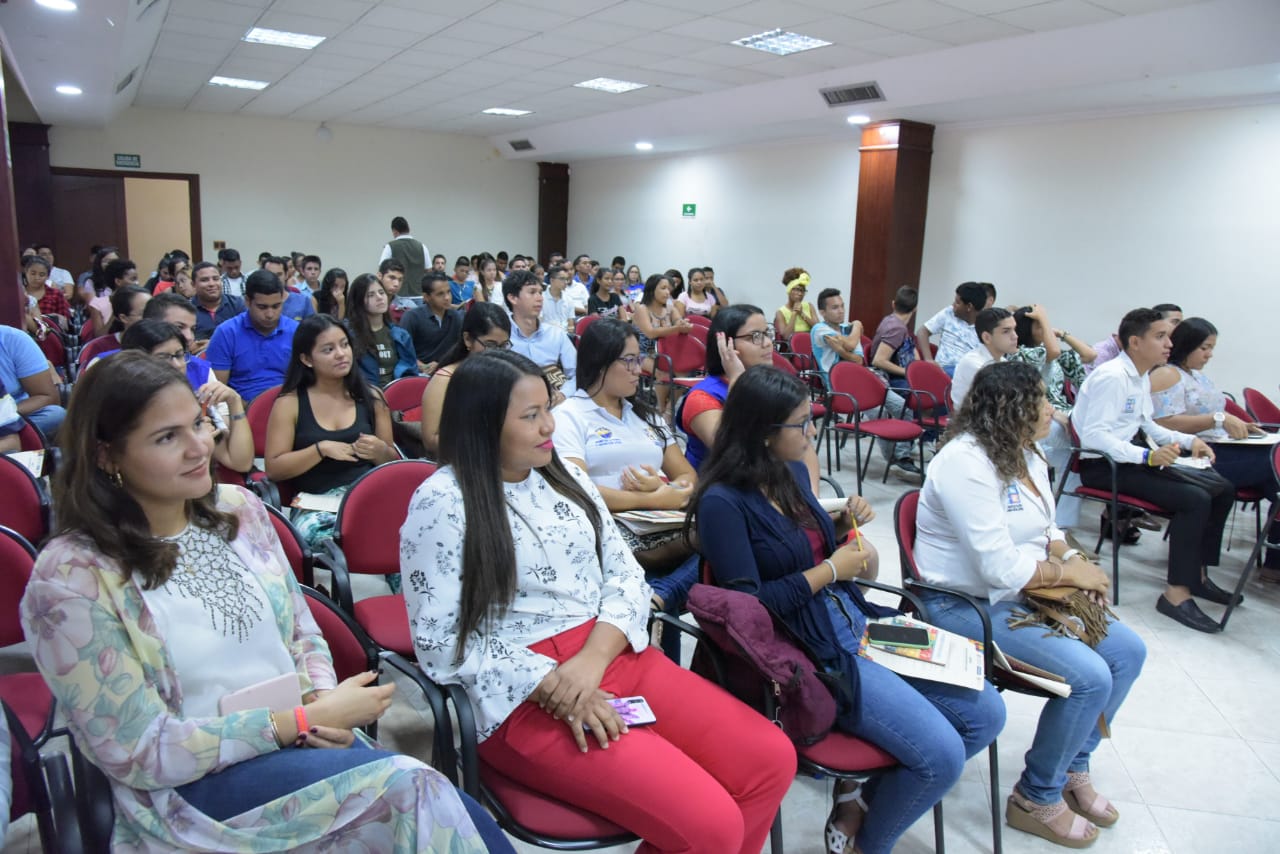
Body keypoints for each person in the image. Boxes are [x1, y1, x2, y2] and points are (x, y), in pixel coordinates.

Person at [20, 352, 501, 854]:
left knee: (440, 802)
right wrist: (298, 721)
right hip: (190, 791)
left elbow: (301, 631)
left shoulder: (240, 510)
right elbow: (140, 750)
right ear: (106, 456)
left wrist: (317, 702)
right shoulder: (72, 578)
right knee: (413, 791)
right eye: (167, 438)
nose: (199, 448)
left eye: (200, 424)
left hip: (297, 738)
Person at [402, 349, 795, 853]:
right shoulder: (442, 501)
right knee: (712, 823)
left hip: (608, 651)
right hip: (521, 689)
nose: (550, 425)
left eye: (549, 407)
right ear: (482, 423)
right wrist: (555, 682)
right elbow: (440, 641)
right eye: (531, 416)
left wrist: (593, 658)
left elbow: (626, 574)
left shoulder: (565, 475)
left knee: (771, 759)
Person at [690, 365, 1004, 854]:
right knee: (941, 756)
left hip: (856, 619)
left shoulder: (790, 472)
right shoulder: (722, 504)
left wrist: (844, 535)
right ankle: (868, 844)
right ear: (765, 432)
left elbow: (812, 552)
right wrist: (831, 570)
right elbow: (745, 611)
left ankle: (861, 795)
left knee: (987, 712)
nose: (812, 431)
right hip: (816, 649)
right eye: (801, 423)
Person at [913, 360, 1146, 849]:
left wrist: (1073, 559)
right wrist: (1068, 574)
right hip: (964, 605)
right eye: (1041, 400)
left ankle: (1070, 767)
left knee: (1128, 652)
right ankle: (1034, 797)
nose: (1051, 410)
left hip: (1024, 593)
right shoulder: (965, 462)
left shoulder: (1026, 452)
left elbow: (1046, 529)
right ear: (1009, 407)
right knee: (1090, 677)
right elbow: (998, 569)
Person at [1071, 308, 1233, 633]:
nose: (1169, 344)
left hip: (1129, 458)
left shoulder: (1140, 375)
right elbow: (1094, 437)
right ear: (1135, 341)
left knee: (1223, 488)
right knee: (1194, 499)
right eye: (1160, 336)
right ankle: (1176, 594)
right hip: (1104, 466)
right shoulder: (1112, 377)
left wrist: (1189, 442)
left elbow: (1147, 424)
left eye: (1168, 337)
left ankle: (1197, 576)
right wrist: (1147, 457)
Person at [553, 319, 699, 607]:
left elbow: (686, 474)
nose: (638, 370)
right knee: (721, 536)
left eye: (639, 359)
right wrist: (655, 498)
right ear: (600, 362)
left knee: (733, 526)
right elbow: (575, 488)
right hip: (606, 524)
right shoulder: (569, 415)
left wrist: (673, 490)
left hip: (659, 521)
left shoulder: (646, 416)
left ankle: (661, 596)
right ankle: (665, 594)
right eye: (629, 361)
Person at [1150, 317, 1279, 577]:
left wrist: (1244, 427)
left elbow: (1217, 415)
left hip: (1220, 445)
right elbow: (1161, 423)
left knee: (1275, 482)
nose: (1209, 355)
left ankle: (1274, 562)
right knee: (1272, 468)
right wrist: (1215, 419)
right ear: (1187, 345)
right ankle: (1275, 561)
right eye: (1205, 348)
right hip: (1190, 452)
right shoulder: (1167, 374)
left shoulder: (1197, 376)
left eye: (1212, 349)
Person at [266, 315, 397, 546]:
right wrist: (320, 449)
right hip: (316, 504)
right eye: (328, 349)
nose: (341, 354)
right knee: (334, 539)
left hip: (366, 496)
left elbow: (391, 464)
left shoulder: (372, 396)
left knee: (400, 534)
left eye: (344, 345)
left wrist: (380, 451)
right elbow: (274, 469)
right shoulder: (290, 402)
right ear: (307, 359)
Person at [119, 319, 254, 474]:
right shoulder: (123, 407)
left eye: (179, 355)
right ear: (136, 362)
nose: (177, 365)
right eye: (164, 358)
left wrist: (234, 402)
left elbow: (240, 462)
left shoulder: (194, 402)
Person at [1011, 304, 1096, 537]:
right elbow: (1052, 352)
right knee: (1076, 445)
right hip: (1038, 419)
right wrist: (1045, 321)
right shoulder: (1023, 354)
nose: (1045, 328)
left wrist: (1062, 333)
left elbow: (1090, 355)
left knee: (1076, 461)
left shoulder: (1055, 355)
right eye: (1039, 325)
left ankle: (1062, 526)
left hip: (1064, 418)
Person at [678, 305, 775, 471]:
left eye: (767, 333)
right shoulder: (702, 398)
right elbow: (732, 451)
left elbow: (802, 446)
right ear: (725, 344)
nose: (767, 343)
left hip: (770, 483)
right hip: (720, 489)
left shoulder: (771, 385)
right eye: (755, 336)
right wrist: (736, 378)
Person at [419, 303, 512, 457]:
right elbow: (431, 440)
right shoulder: (445, 380)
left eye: (504, 346)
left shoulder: (507, 374)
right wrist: (486, 445)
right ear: (468, 339)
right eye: (490, 345)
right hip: (462, 461)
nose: (499, 354)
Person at [208, 270, 299, 404]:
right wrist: (252, 410)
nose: (270, 314)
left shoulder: (296, 331)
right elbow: (218, 390)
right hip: (242, 409)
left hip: (290, 405)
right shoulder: (226, 333)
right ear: (247, 302)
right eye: (262, 307)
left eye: (276, 306)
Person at [504, 270, 577, 398]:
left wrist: (563, 394)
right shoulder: (502, 336)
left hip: (556, 400)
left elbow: (577, 373)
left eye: (540, 293)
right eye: (532, 292)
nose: (540, 298)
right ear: (512, 298)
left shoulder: (556, 334)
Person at [633, 273, 693, 419]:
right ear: (652, 289)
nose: (668, 292)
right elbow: (651, 333)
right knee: (663, 373)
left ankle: (669, 409)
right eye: (663, 288)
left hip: (664, 354)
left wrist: (685, 325)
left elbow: (680, 322)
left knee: (684, 373)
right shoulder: (642, 309)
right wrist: (676, 329)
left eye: (669, 289)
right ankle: (661, 407)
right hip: (639, 354)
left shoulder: (670, 308)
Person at [346, 274, 418, 388]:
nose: (379, 297)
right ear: (359, 301)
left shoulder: (400, 335)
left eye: (381, 292)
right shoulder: (349, 336)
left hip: (396, 393)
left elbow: (411, 369)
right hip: (364, 395)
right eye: (371, 295)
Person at [0, 324, 65, 439]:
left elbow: (47, 397)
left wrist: (5, 414)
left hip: (18, 414)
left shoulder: (13, 339)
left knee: (55, 414)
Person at [949, 307, 1018, 408]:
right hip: (971, 421)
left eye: (1014, 329)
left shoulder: (1003, 361)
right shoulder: (974, 363)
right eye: (1006, 331)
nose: (1015, 336)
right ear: (987, 337)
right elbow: (1001, 403)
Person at [917, 281, 986, 376]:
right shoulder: (949, 312)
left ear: (969, 307)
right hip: (941, 370)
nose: (953, 305)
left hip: (966, 374)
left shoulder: (986, 326)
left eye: (957, 302)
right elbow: (922, 332)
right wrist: (928, 359)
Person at [399, 271, 460, 374]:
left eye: (448, 292)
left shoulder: (456, 317)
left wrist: (441, 365)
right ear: (426, 297)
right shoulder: (412, 317)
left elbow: (460, 351)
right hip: (419, 373)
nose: (447, 298)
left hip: (447, 371)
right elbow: (402, 352)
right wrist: (422, 366)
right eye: (440, 294)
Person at [80, 285, 151, 368]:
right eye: (144, 313)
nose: (152, 317)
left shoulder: (162, 343)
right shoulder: (100, 347)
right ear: (123, 318)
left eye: (153, 310)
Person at [809, 287, 864, 385]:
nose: (841, 311)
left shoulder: (848, 329)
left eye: (842, 306)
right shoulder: (819, 329)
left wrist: (841, 351)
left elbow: (859, 361)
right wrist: (858, 325)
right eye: (835, 308)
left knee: (895, 399)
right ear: (822, 312)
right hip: (836, 384)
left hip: (857, 378)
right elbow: (851, 345)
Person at [191, 262, 245, 341]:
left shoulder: (237, 304)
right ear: (193, 284)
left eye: (216, 279)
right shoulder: (186, 310)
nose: (211, 284)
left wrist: (213, 344)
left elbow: (248, 335)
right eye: (204, 280)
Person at [378, 216, 428, 298]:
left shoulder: (390, 246)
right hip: (418, 294)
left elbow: (382, 268)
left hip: (399, 295)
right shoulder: (422, 246)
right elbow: (428, 269)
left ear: (394, 231)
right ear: (408, 229)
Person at [23, 255, 71, 327]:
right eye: (33, 273)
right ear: (26, 272)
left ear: (48, 276)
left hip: (50, 333)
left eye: (41, 275)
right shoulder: (20, 294)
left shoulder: (56, 294)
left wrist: (49, 318)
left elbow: (65, 324)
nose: (36, 278)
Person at [774, 268, 816, 342]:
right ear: (789, 290)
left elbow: (818, 328)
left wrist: (802, 314)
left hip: (812, 346)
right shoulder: (780, 312)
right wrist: (794, 313)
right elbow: (786, 336)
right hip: (793, 349)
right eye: (797, 289)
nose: (800, 293)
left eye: (803, 290)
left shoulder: (809, 306)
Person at [540, 265, 576, 333]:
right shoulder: (540, 298)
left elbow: (571, 324)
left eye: (567, 279)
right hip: (546, 334)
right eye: (562, 279)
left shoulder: (569, 299)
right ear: (552, 280)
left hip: (565, 335)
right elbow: (539, 322)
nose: (566, 282)